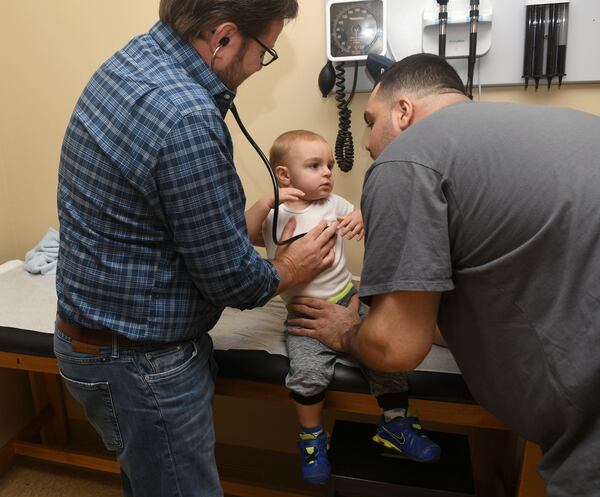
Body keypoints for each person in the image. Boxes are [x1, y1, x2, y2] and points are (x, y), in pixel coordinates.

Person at [54, 2, 340, 497]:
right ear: (224, 38)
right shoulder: (186, 116)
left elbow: (168, 217)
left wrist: (236, 222)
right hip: (140, 364)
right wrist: (289, 266)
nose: (256, 67)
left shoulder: (131, 62)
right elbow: (233, 282)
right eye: (265, 51)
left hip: (93, 342)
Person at [286, 53, 600, 496]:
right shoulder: (568, 125)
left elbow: (395, 347)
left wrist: (347, 333)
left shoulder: (406, 161)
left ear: (404, 112)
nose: (370, 143)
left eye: (371, 121)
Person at [245, 130, 440, 485]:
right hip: (304, 313)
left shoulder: (331, 203)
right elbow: (242, 239)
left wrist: (360, 218)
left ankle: (395, 422)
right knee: (306, 373)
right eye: (315, 165)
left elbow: (358, 214)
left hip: (348, 299)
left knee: (385, 354)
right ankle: (312, 438)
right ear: (284, 174)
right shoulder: (275, 212)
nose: (327, 174)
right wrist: (262, 204)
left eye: (330, 166)